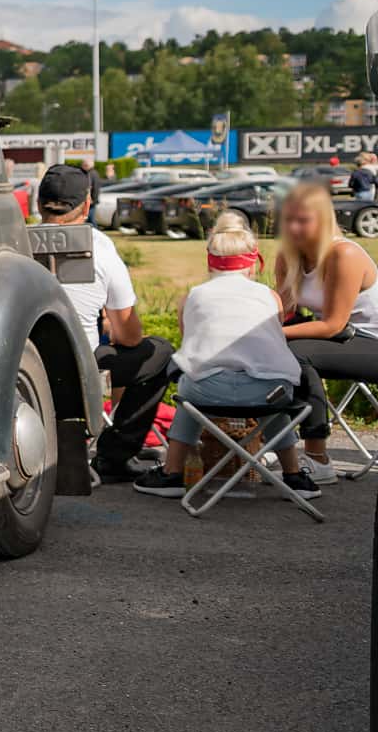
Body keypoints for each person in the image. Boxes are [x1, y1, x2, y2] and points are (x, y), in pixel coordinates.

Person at [134, 213, 315, 499]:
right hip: (266, 394)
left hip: (208, 394)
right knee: (274, 395)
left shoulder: (193, 296)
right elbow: (274, 341)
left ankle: (172, 473)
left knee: (189, 386)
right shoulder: (270, 296)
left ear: (210, 260)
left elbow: (190, 344)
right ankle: (294, 477)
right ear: (253, 262)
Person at [37, 164, 171, 480]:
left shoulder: (11, 241)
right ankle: (113, 456)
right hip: (79, 372)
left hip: (21, 368)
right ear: (87, 205)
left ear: (38, 204)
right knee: (159, 352)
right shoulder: (101, 247)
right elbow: (130, 336)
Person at [274, 180, 378, 488]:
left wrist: (276, 334)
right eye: (288, 219)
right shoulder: (288, 256)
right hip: (339, 338)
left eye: (303, 220)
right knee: (263, 347)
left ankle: (318, 457)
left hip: (369, 340)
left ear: (324, 219)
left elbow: (332, 324)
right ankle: (271, 441)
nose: (293, 227)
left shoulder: (343, 254)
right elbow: (284, 310)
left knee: (297, 353)